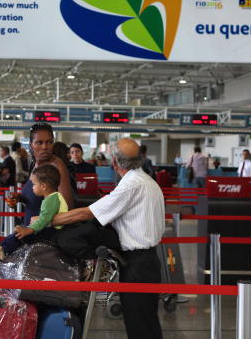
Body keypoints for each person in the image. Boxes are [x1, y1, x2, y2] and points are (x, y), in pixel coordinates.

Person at [51, 138, 165, 339]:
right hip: (147, 261)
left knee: (140, 324)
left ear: (114, 162)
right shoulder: (148, 181)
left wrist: (49, 220)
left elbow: (88, 213)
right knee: (145, 321)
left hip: (138, 264)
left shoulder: (130, 185)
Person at [0, 164, 68, 260]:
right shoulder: (53, 197)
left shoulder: (51, 199)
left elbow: (44, 220)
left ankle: (2, 250)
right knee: (20, 232)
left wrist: (29, 230)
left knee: (21, 234)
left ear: (43, 186)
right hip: (51, 231)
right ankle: (1, 247)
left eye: (34, 184)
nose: (32, 188)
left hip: (52, 232)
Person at [8, 124, 74, 230]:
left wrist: (42, 221)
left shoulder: (57, 165)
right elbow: (38, 198)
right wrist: (19, 198)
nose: (45, 147)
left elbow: (67, 208)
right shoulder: (34, 164)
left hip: (46, 237)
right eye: (39, 142)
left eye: (49, 142)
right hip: (31, 232)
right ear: (31, 145)